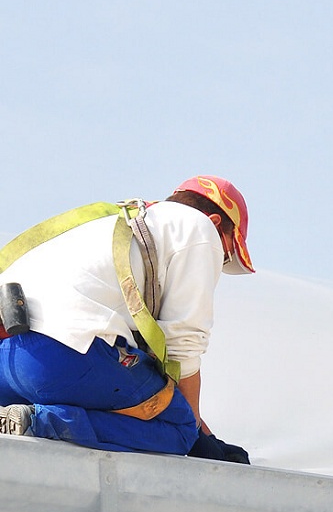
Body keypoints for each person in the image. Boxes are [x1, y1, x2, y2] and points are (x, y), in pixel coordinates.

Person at [0, 176, 254, 463]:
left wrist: (202, 429)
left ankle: (18, 417)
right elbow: (184, 344)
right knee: (176, 429)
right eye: (224, 255)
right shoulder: (199, 227)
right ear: (217, 221)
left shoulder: (110, 223)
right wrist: (195, 432)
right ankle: (36, 422)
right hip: (60, 358)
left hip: (6, 360)